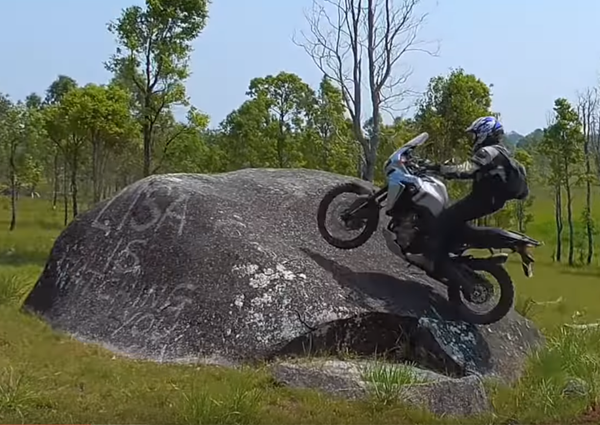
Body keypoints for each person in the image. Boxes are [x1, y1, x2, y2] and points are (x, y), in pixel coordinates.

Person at [405, 116, 528, 274]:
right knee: (456, 223)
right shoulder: (501, 151)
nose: (473, 139)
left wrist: (436, 168)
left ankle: (429, 258)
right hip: (489, 200)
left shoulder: (489, 151)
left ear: (485, 133)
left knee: (443, 218)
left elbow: (466, 170)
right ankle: (450, 255)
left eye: (474, 134)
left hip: (484, 199)